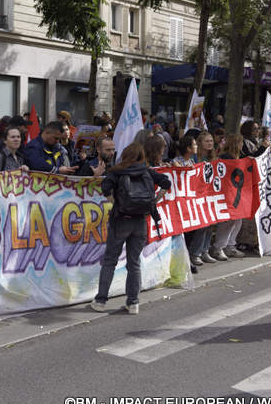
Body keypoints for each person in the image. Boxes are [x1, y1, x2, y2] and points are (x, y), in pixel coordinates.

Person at [90, 143, 171, 315]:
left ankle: (100, 301)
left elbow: (105, 188)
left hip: (121, 221)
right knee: (134, 263)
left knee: (110, 261)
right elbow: (166, 182)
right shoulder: (147, 171)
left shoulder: (116, 171)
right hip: (140, 221)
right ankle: (133, 303)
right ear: (141, 156)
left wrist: (116, 204)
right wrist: (154, 201)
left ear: (125, 155)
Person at [209, 133, 246, 260]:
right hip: (226, 193)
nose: (242, 145)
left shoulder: (239, 156)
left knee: (238, 219)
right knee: (227, 221)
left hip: (235, 193)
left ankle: (230, 245)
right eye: (240, 142)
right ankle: (218, 247)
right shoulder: (225, 157)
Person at [189, 131, 217, 266]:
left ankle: (205, 250)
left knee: (211, 224)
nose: (210, 143)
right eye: (207, 141)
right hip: (199, 195)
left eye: (211, 140)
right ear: (200, 143)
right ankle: (195, 253)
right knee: (202, 225)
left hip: (211, 194)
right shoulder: (195, 158)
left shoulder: (213, 157)